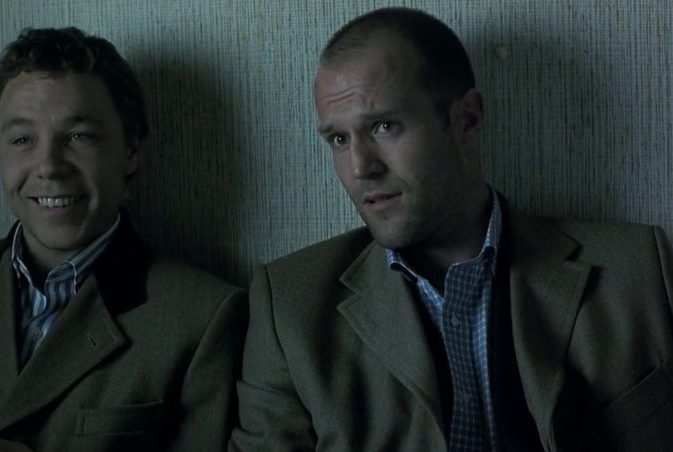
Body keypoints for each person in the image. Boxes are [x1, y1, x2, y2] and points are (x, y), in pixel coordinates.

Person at [231, 7, 673, 451]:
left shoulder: (639, 271)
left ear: (468, 118)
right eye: (339, 139)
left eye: (384, 126)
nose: (361, 167)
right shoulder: (289, 308)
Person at [0, 27, 246, 452]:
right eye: (22, 140)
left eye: (79, 137)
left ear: (132, 149)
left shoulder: (202, 319)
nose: (49, 166)